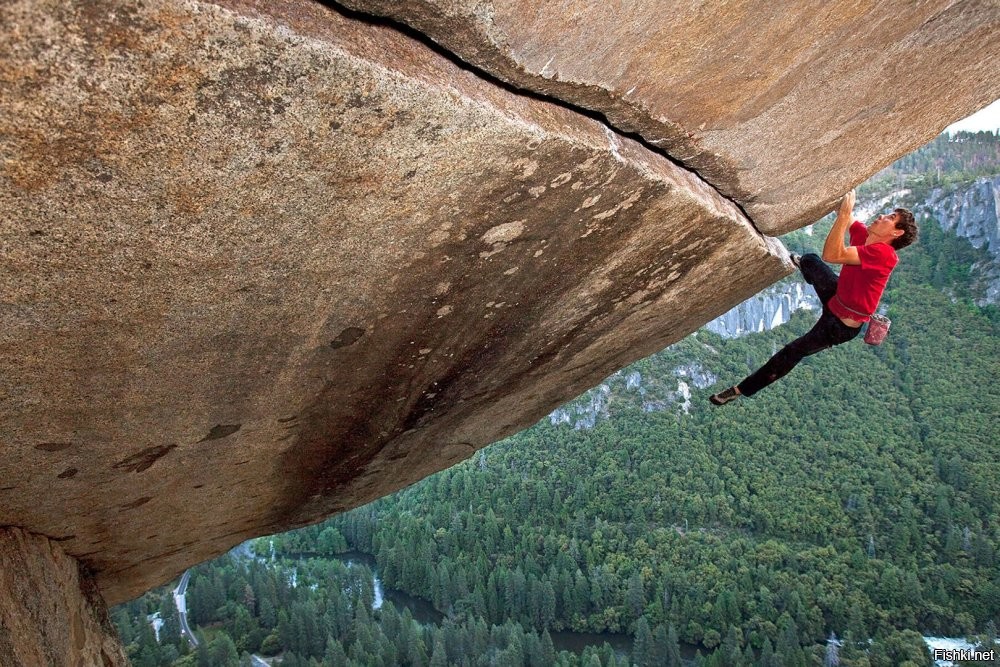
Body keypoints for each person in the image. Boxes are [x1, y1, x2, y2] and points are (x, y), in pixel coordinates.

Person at [710, 189, 917, 405]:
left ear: (897, 233)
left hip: (839, 326)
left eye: (891, 218)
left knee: (792, 352)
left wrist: (844, 215)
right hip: (837, 295)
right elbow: (847, 216)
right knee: (810, 260)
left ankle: (739, 390)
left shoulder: (885, 256)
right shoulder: (865, 237)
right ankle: (804, 264)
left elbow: (833, 254)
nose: (883, 216)